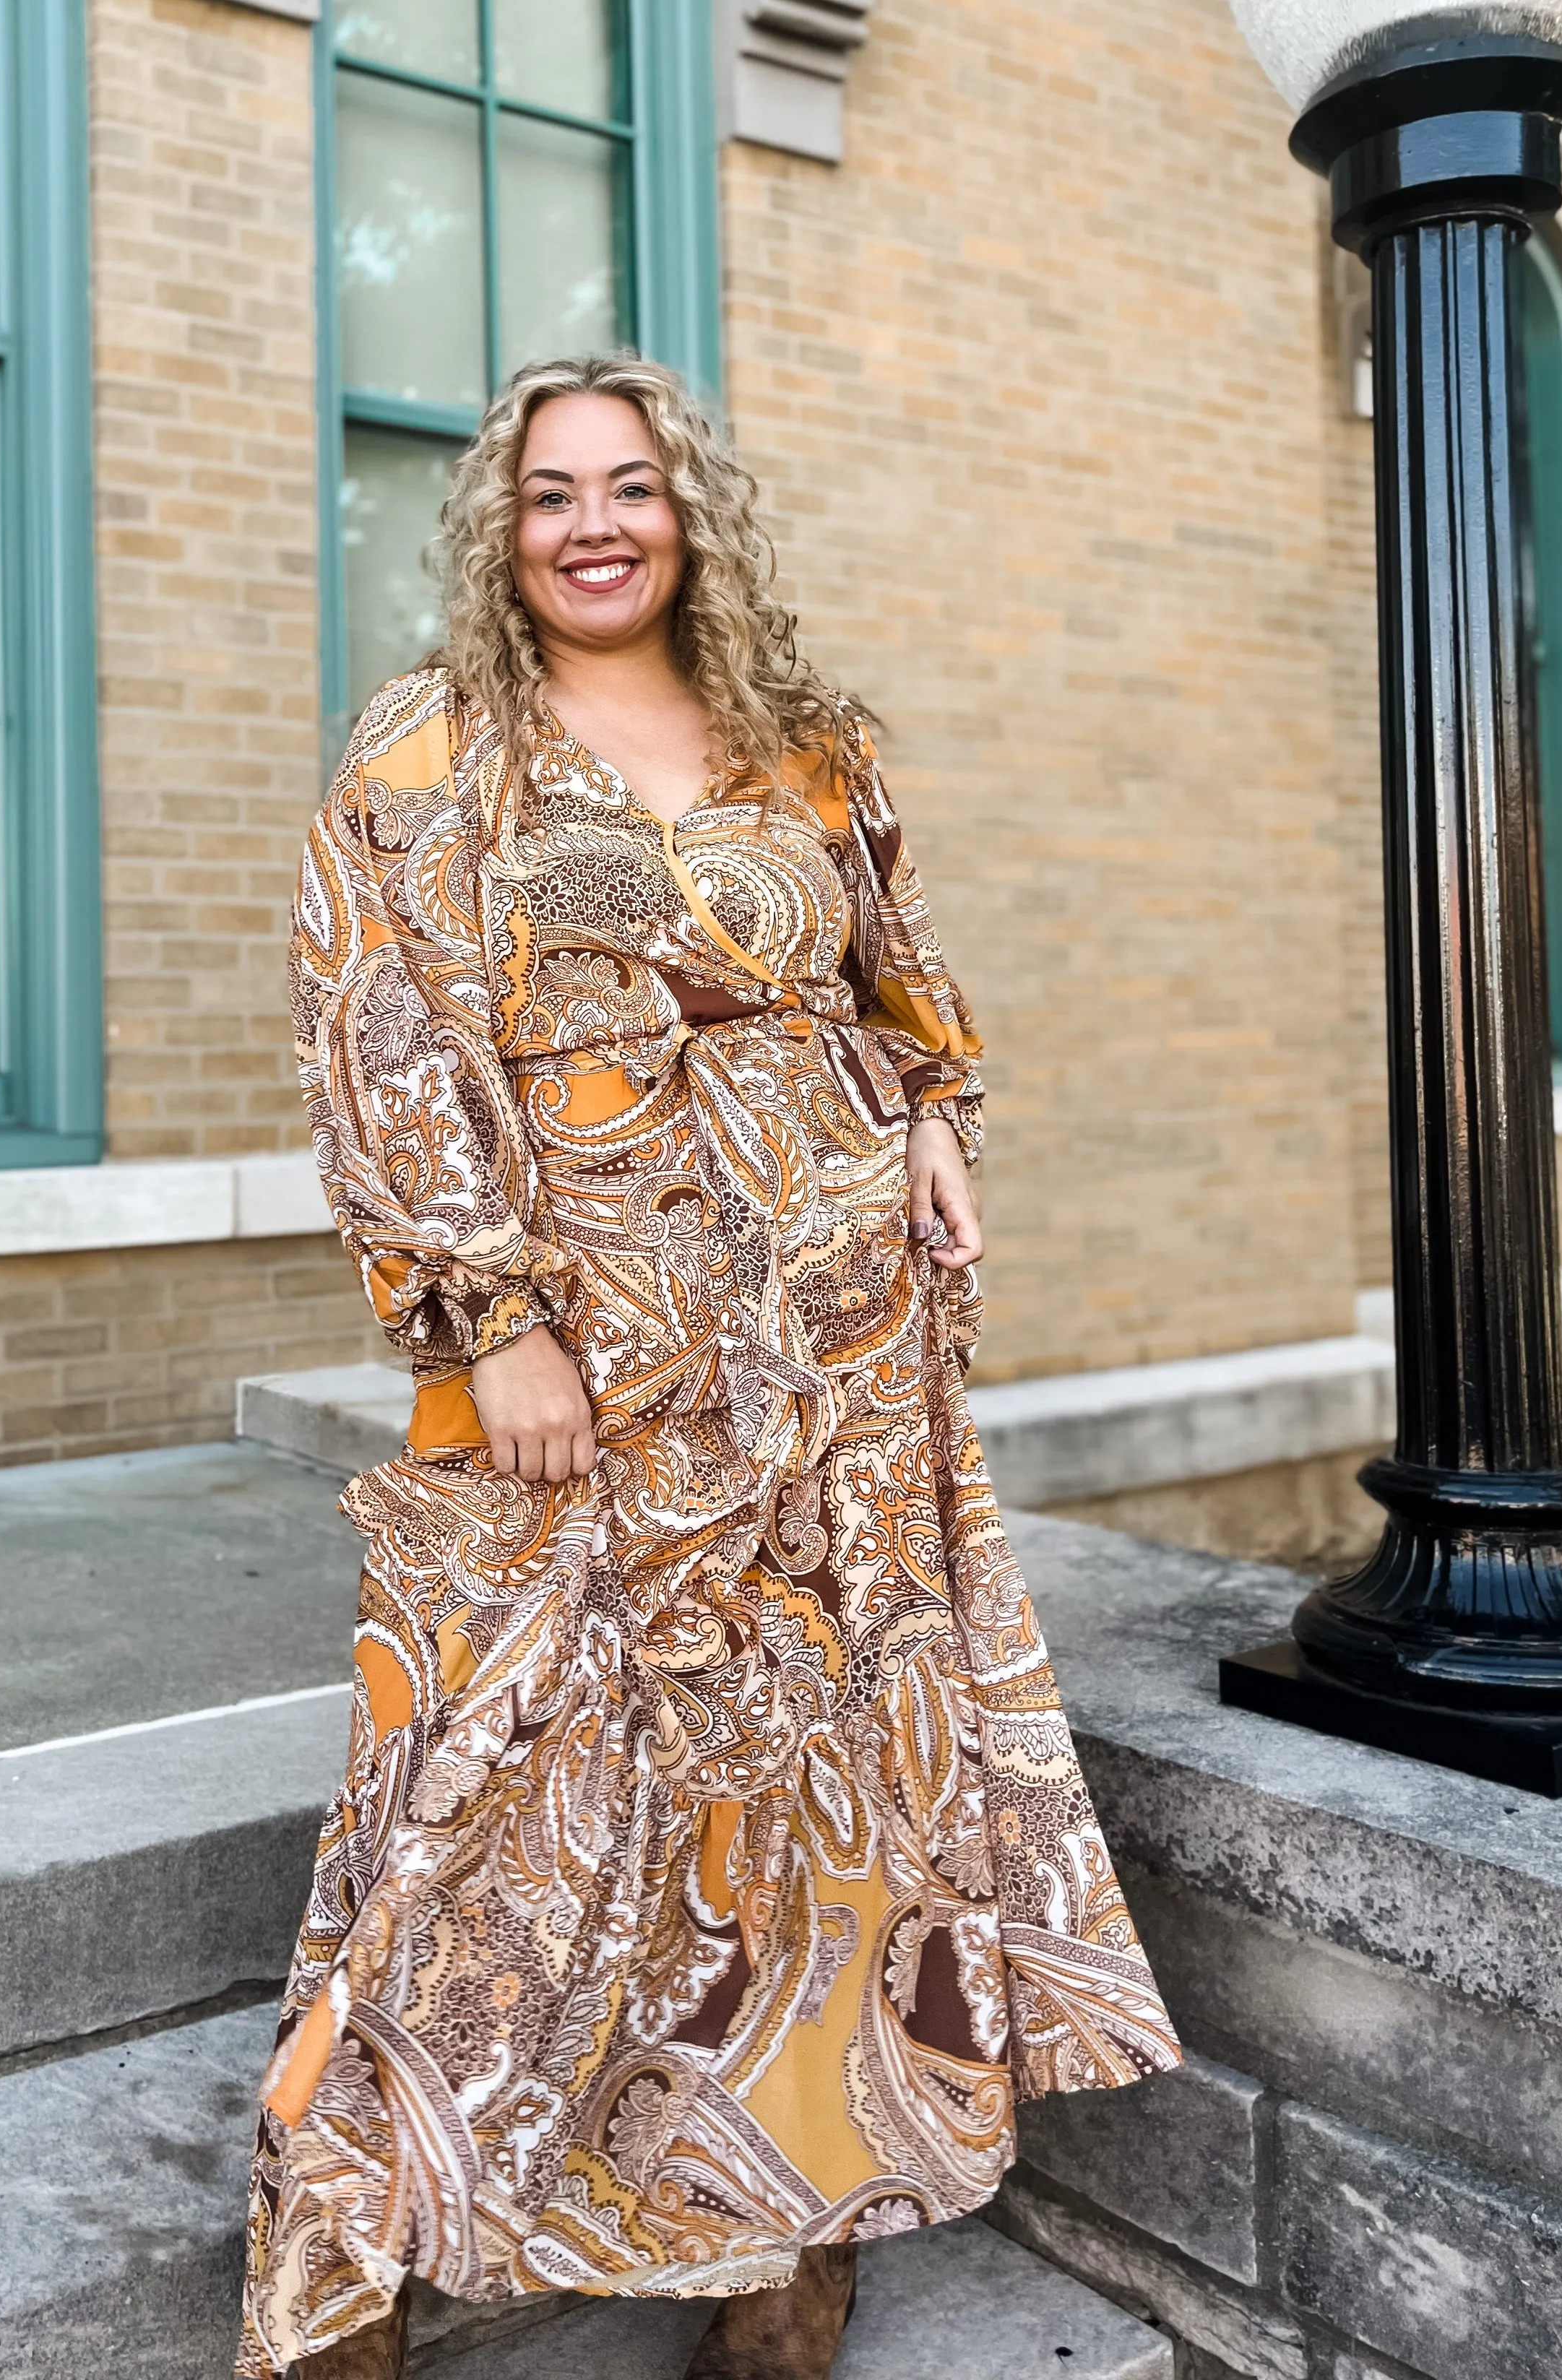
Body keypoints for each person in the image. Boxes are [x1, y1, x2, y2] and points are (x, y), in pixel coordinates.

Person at [238, 355, 1177, 2379]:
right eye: (554, 491)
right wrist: (493, 1316)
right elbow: (377, 1038)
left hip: (839, 1359)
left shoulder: (807, 743)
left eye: (635, 487)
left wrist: (929, 1113)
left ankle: (792, 2228)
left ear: (691, 517)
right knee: (483, 1781)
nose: (595, 523)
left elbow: (900, 978)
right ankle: (342, 2250)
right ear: (504, 524)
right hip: (582, 1343)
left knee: (823, 1779)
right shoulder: (430, 748)